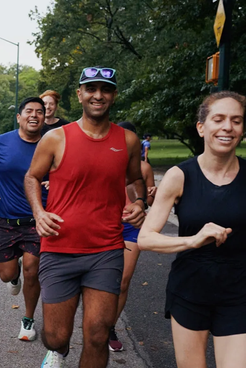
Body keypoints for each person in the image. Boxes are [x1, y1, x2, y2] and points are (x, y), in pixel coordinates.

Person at [24, 67, 146, 368]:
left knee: (97, 333)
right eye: (91, 89)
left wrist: (140, 201)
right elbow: (32, 177)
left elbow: (134, 180)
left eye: (105, 89)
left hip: (105, 250)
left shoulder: (128, 140)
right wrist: (39, 212)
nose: (98, 95)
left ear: (113, 96)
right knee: (56, 336)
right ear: (80, 94)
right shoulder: (55, 138)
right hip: (59, 248)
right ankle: (57, 351)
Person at [138, 91, 246, 368]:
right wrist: (193, 240)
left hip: (239, 293)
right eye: (218, 119)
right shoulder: (179, 176)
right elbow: (146, 238)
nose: (227, 127)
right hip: (190, 292)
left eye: (236, 121)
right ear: (201, 127)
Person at [0, 97, 47, 342]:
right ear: (19, 117)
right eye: (29, 111)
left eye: (40, 112)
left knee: (32, 271)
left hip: (37, 221)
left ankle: (28, 319)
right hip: (5, 220)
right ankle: (13, 274)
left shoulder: (51, 145)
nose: (34, 115)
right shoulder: (0, 142)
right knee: (7, 275)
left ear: (44, 118)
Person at [106, 121, 157, 352]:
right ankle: (95, 323)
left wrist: (153, 195)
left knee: (123, 282)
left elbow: (151, 203)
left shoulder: (144, 168)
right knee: (99, 281)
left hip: (132, 227)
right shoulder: (106, 160)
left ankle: (109, 327)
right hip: (106, 225)